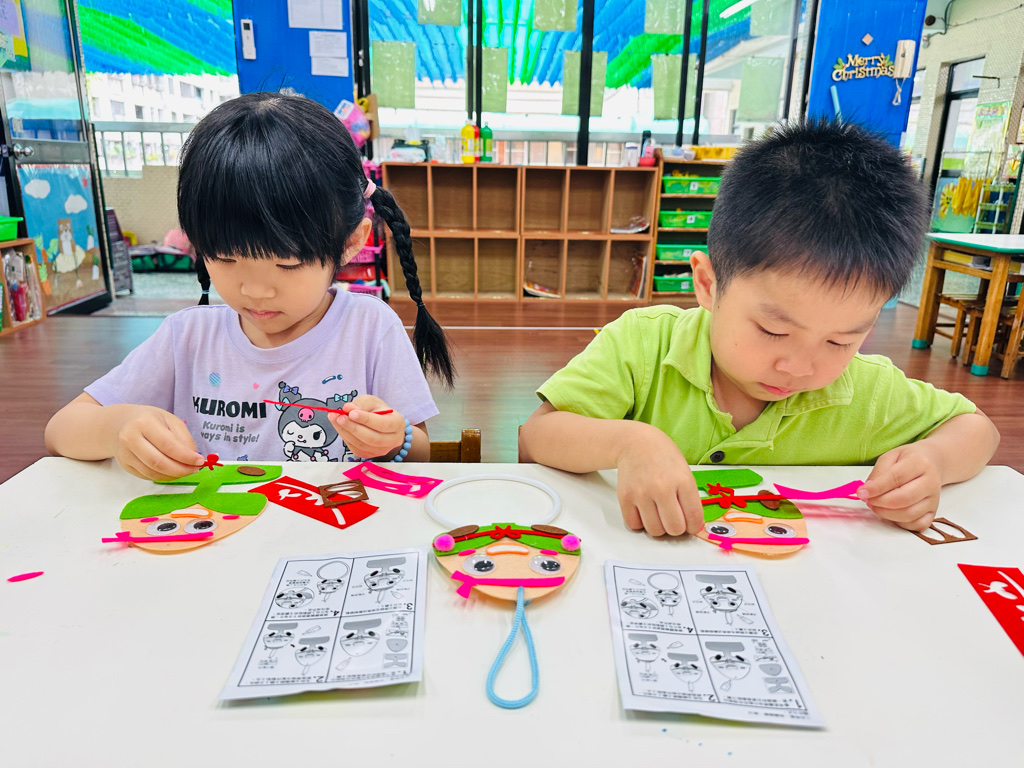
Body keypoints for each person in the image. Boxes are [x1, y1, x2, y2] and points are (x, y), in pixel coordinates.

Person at [519, 119, 999, 537]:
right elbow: (535, 438)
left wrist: (932, 461)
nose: (799, 366)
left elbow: (977, 430)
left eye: (841, 340)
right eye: (772, 330)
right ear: (708, 284)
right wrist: (630, 443)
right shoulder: (644, 344)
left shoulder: (866, 391)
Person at [45, 92, 454, 479]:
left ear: (350, 243)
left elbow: (420, 452)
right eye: (225, 258)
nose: (256, 291)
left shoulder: (370, 328)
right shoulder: (187, 338)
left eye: (287, 263)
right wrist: (117, 426)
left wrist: (393, 440)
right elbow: (61, 429)